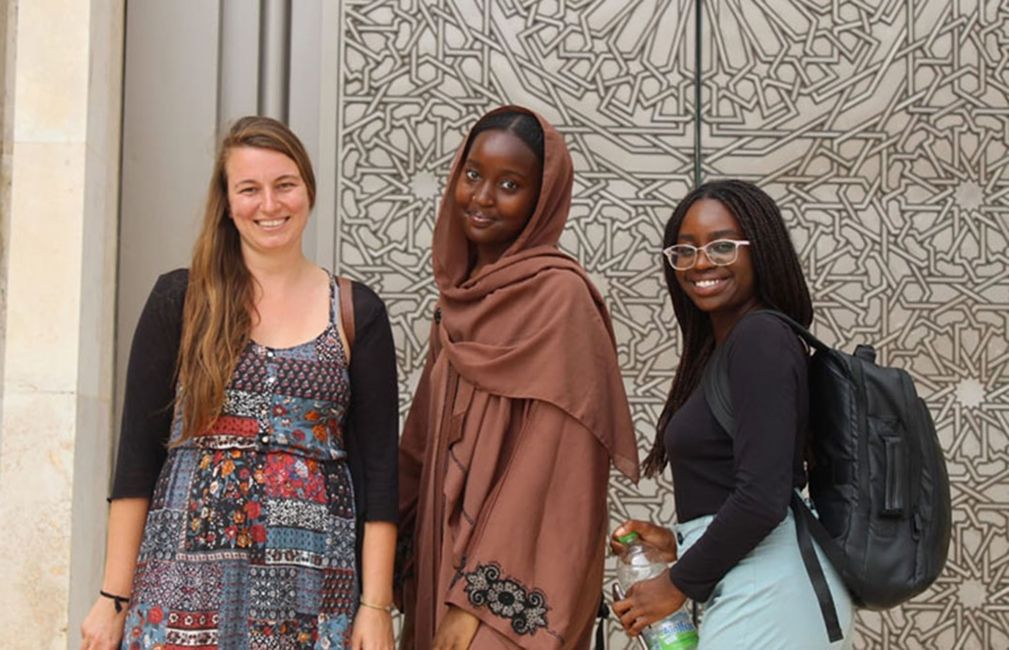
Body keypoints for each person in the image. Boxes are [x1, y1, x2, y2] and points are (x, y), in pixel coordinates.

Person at [79, 116, 399, 650]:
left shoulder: (354, 311)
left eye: (285, 185)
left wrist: (376, 606)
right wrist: (113, 597)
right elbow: (136, 459)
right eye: (249, 189)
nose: (269, 205)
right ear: (228, 204)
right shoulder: (180, 302)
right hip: (182, 580)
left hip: (315, 580)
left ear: (308, 191)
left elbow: (381, 472)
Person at [397, 105, 640, 649]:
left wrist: (475, 603)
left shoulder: (560, 301)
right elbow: (420, 442)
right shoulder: (458, 303)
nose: (482, 197)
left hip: (508, 589)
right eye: (473, 174)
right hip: (443, 557)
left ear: (542, 199)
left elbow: (553, 472)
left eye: (510, 184)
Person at [611, 179, 855, 648]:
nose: (701, 262)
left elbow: (764, 497)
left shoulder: (760, 338)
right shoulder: (730, 346)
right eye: (684, 250)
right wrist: (678, 542)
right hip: (758, 581)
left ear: (759, 250)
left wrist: (676, 584)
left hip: (774, 592)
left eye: (722, 246)